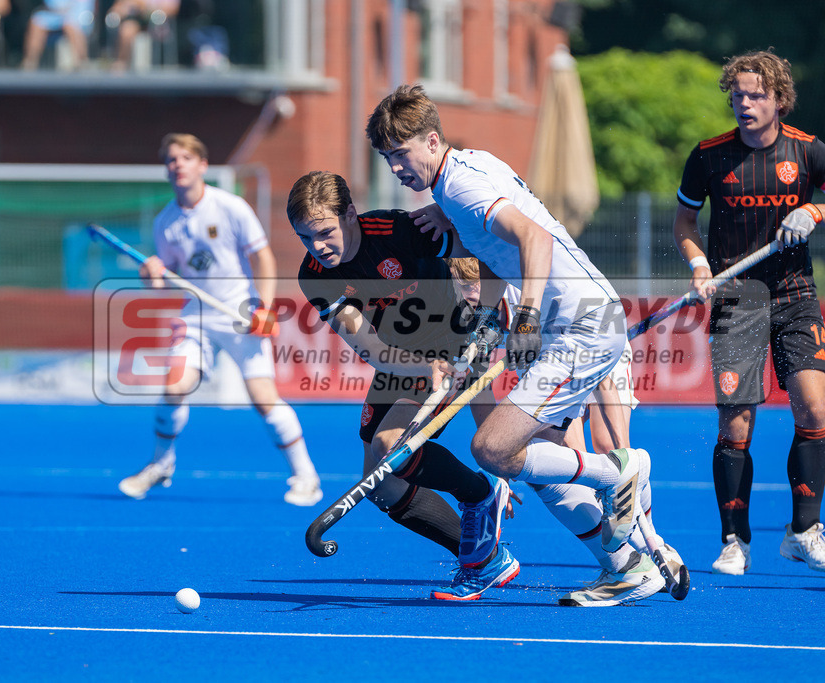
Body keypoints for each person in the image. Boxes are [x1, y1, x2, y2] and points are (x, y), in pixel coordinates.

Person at [367, 85, 683, 606]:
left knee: (491, 448)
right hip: (575, 322)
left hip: (577, 327)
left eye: (401, 154)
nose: (396, 168)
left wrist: (528, 314)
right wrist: (491, 315)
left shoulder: (462, 188)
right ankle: (627, 566)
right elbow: (499, 249)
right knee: (539, 461)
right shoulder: (463, 172)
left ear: (430, 140)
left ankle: (621, 470)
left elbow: (533, 237)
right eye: (386, 158)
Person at [672, 50, 825, 575]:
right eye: (737, 95)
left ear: (779, 99)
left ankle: (804, 531)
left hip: (795, 294)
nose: (744, 103)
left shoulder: (808, 152)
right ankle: (734, 541)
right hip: (736, 299)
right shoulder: (709, 156)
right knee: (736, 425)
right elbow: (684, 224)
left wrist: (815, 210)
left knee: (813, 409)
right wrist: (697, 264)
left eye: (756, 94)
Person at [288, 170, 516, 601]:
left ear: (350, 215)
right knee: (382, 483)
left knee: (389, 444)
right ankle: (484, 559)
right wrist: (419, 366)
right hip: (403, 357)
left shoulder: (398, 229)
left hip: (457, 342)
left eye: (323, 232)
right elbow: (369, 346)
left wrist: (486, 314)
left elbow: (484, 252)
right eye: (304, 237)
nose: (317, 247)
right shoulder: (315, 274)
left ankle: (481, 495)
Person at [448, 257, 683, 591]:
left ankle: (648, 543)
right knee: (558, 466)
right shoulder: (474, 313)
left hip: (596, 348)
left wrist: (624, 451)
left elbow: (602, 380)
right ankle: (625, 562)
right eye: (458, 285)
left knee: (606, 451)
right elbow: (479, 387)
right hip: (550, 370)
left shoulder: (530, 300)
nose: (467, 295)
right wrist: (499, 470)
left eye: (471, 285)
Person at [118, 133, 323, 508]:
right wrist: (152, 277)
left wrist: (263, 306)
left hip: (241, 312)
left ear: (202, 165)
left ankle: (307, 477)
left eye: (184, 157)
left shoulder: (230, 207)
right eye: (171, 159)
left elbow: (263, 258)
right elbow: (167, 285)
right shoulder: (165, 223)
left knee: (263, 399)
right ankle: (161, 464)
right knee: (174, 386)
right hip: (196, 316)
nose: (177, 164)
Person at [105, 0, 180, 72]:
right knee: (127, 30)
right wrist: (121, 10)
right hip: (136, 19)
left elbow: (173, 9)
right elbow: (117, 8)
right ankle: (121, 65)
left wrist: (146, 7)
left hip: (160, 23)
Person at [21, 0, 93, 71]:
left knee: (71, 25)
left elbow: (84, 7)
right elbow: (51, 5)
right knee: (37, 22)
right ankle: (30, 61)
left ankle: (81, 61)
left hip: (74, 17)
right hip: (53, 14)